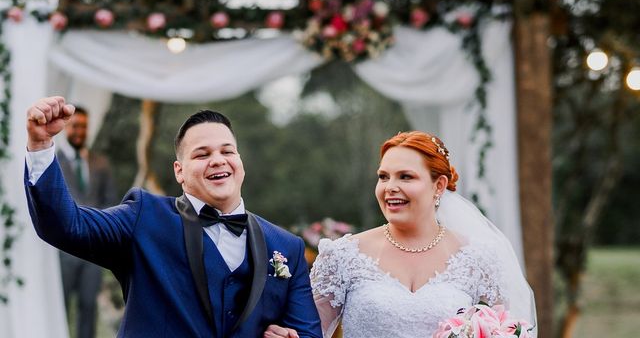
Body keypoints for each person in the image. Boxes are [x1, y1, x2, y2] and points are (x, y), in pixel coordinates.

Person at [24, 96, 322, 338]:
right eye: (202, 154)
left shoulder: (287, 247)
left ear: (240, 162)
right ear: (179, 171)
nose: (218, 160)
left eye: (227, 151)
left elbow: (308, 333)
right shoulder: (144, 216)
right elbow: (67, 225)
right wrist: (40, 146)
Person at [310, 131, 537, 338]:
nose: (390, 187)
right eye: (383, 176)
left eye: (405, 176)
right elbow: (308, 331)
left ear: (439, 186)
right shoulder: (343, 254)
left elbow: (502, 329)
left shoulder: (478, 260)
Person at [56, 105, 116, 338]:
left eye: (84, 126)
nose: (80, 131)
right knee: (59, 307)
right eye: (75, 126)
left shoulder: (101, 163)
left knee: (88, 308)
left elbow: (110, 202)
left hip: (93, 251)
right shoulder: (54, 162)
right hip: (62, 252)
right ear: (65, 128)